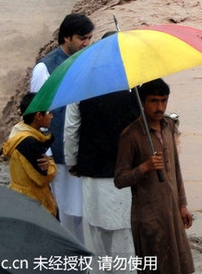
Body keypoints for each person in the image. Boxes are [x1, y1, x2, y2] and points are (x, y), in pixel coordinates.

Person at [65, 29, 141, 272]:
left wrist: (72, 162)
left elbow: (71, 129)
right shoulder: (137, 86)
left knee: (95, 235)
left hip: (92, 171)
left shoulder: (81, 83)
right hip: (127, 174)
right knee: (124, 238)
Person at [114, 79, 193, 274]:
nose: (160, 107)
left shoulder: (168, 126)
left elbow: (176, 168)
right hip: (149, 217)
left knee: (179, 265)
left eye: (163, 101)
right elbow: (119, 179)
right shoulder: (130, 135)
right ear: (143, 102)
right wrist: (144, 167)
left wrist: (182, 205)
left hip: (172, 212)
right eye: (154, 101)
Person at [30, 13, 94, 241]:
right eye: (82, 38)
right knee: (66, 211)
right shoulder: (45, 69)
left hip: (82, 151)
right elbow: (35, 115)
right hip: (57, 154)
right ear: (66, 37)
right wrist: (44, 153)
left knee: (86, 212)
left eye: (89, 38)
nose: (87, 43)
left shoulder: (85, 63)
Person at [3, 93, 57, 216]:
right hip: (33, 202)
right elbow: (41, 178)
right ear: (38, 116)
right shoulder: (29, 142)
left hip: (19, 197)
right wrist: (52, 165)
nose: (51, 116)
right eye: (49, 113)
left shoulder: (19, 130)